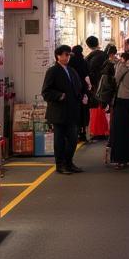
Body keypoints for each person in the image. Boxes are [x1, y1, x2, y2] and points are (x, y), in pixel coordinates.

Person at [42, 45, 88, 174]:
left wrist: (83, 95)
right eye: (65, 54)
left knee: (73, 139)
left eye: (69, 55)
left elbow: (78, 87)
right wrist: (59, 95)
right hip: (59, 112)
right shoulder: (52, 71)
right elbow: (46, 91)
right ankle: (60, 164)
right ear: (58, 56)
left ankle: (69, 162)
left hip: (72, 111)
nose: (67, 57)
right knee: (60, 140)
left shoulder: (72, 71)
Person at [108, 38, 129, 169]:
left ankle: (124, 158)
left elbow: (116, 78)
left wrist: (123, 64)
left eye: (126, 45)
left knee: (124, 131)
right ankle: (127, 158)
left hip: (124, 100)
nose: (124, 47)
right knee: (128, 131)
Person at [68, 44, 92, 141]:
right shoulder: (84, 61)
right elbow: (87, 74)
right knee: (84, 110)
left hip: (74, 89)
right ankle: (83, 133)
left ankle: (76, 132)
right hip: (83, 88)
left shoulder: (71, 61)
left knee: (75, 110)